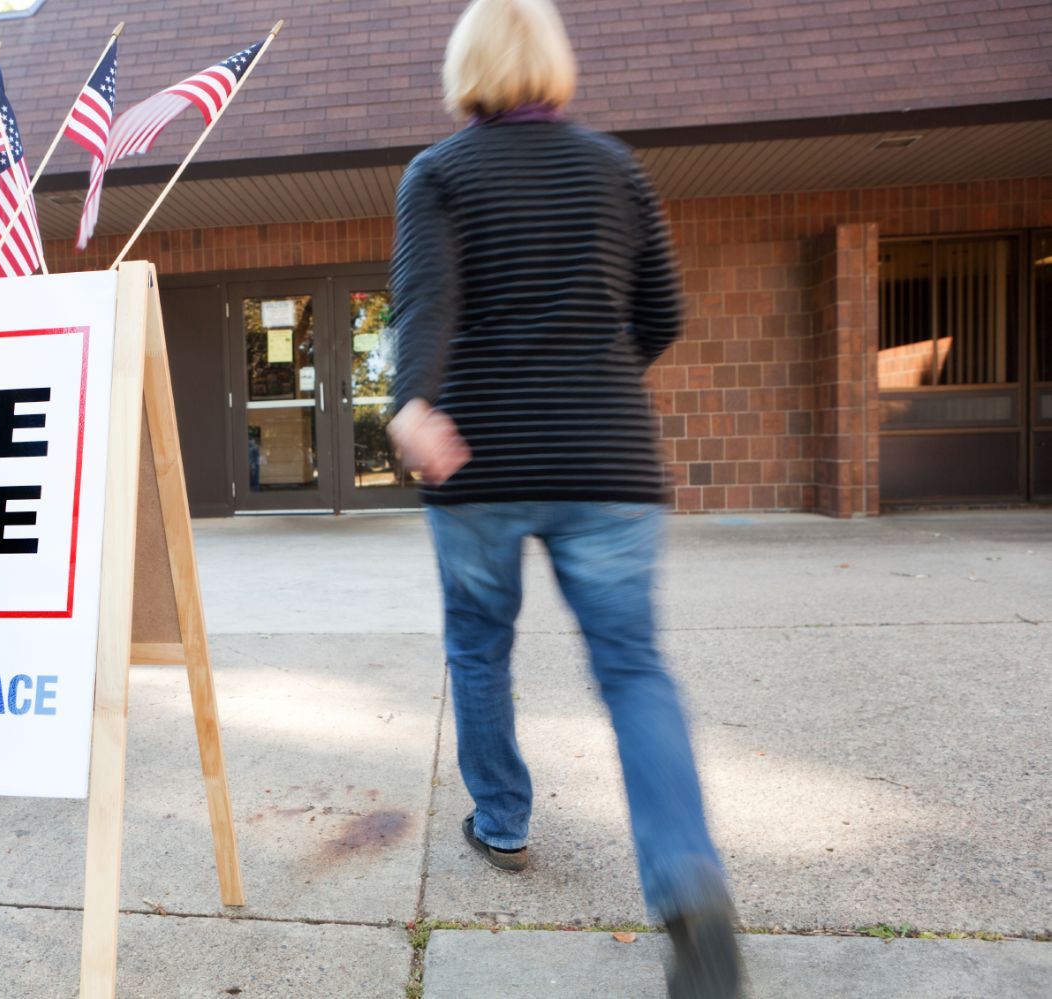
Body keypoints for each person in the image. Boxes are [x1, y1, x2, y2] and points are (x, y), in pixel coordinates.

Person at [386, 1, 743, 996]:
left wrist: (413, 402)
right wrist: (589, 380)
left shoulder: (440, 173)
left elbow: (426, 304)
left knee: (479, 648)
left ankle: (501, 822)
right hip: (607, 461)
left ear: (467, 70)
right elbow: (660, 316)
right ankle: (691, 892)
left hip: (478, 463)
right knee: (633, 671)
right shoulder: (616, 168)